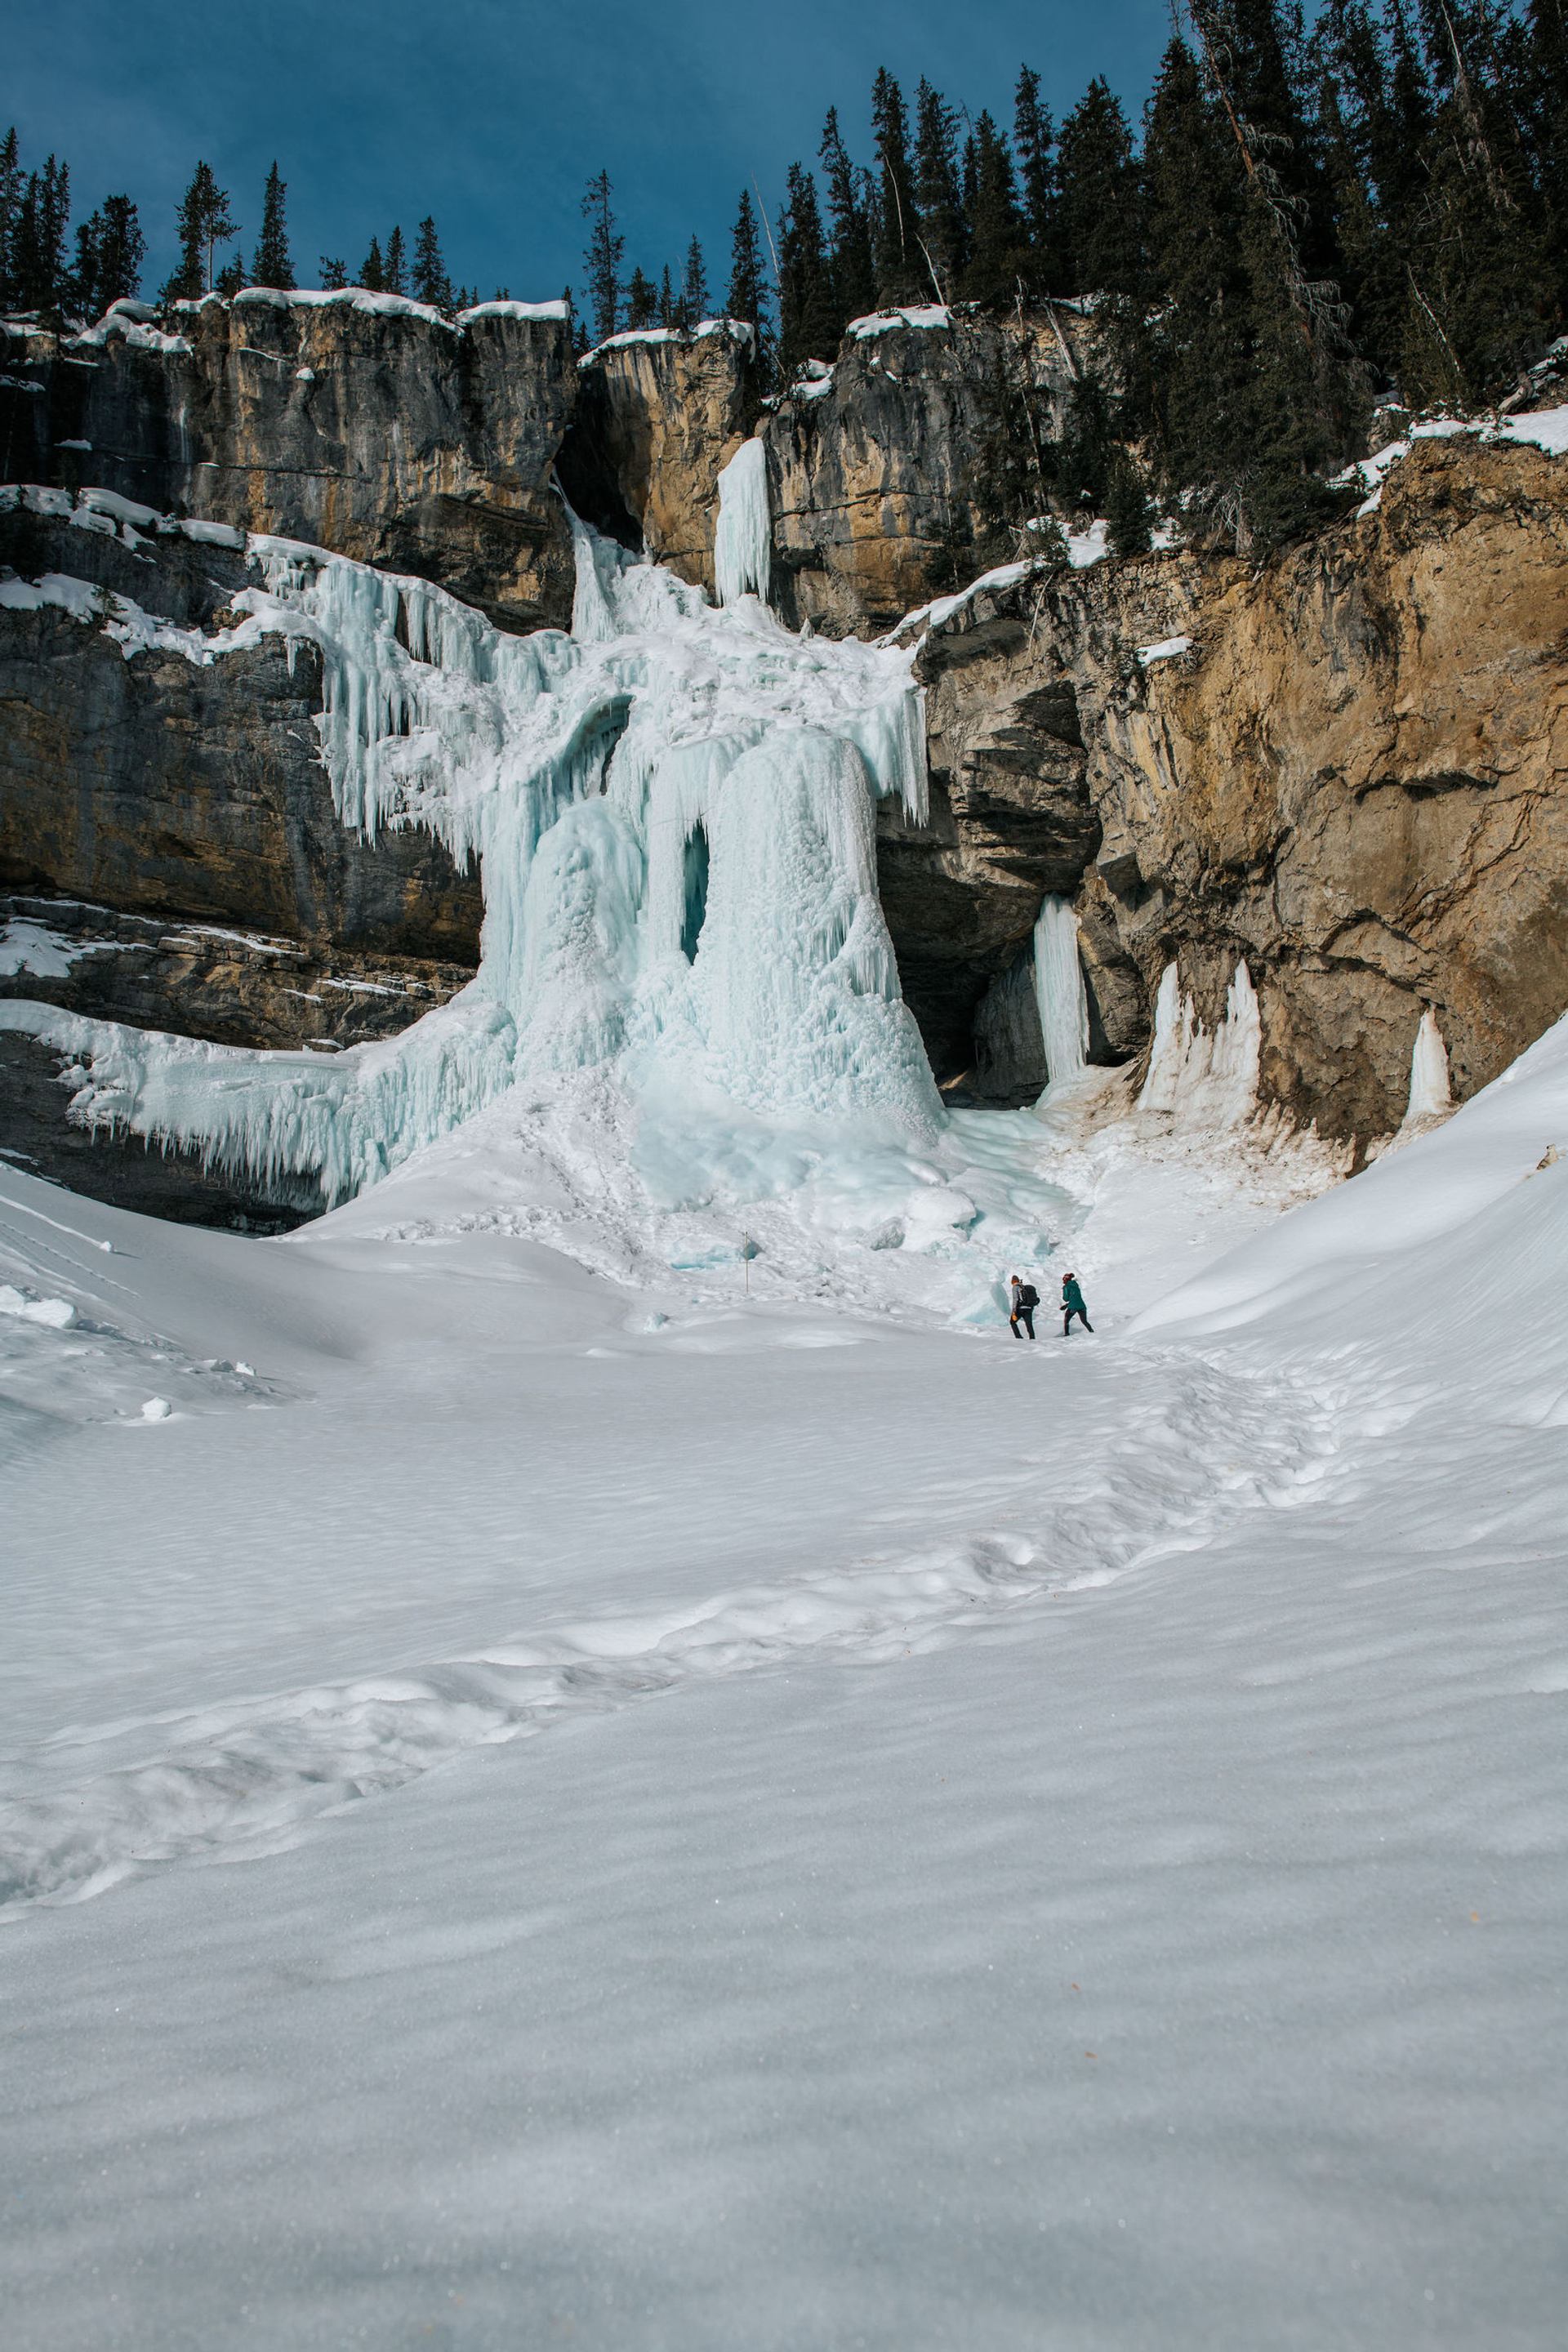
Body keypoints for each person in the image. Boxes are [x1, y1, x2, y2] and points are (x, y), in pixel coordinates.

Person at [1062, 1271, 1093, 1336]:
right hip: (1082, 1306)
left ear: (1065, 1279)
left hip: (1073, 1307)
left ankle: (1066, 1335)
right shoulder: (1076, 1285)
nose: (1063, 1281)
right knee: (1084, 1321)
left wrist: (1064, 1292)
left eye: (1063, 1279)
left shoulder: (1066, 1287)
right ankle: (1092, 1332)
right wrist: (1066, 1305)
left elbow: (1066, 1299)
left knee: (1066, 1321)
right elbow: (1075, 1298)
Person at [1009, 1275, 1039, 1339]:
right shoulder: (1023, 1287)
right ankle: (1032, 1339)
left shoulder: (1015, 1287)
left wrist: (1013, 1312)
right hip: (1029, 1309)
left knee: (1012, 1322)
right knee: (1029, 1325)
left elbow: (1015, 1299)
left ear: (1012, 1281)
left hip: (1020, 1309)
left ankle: (1018, 1337)